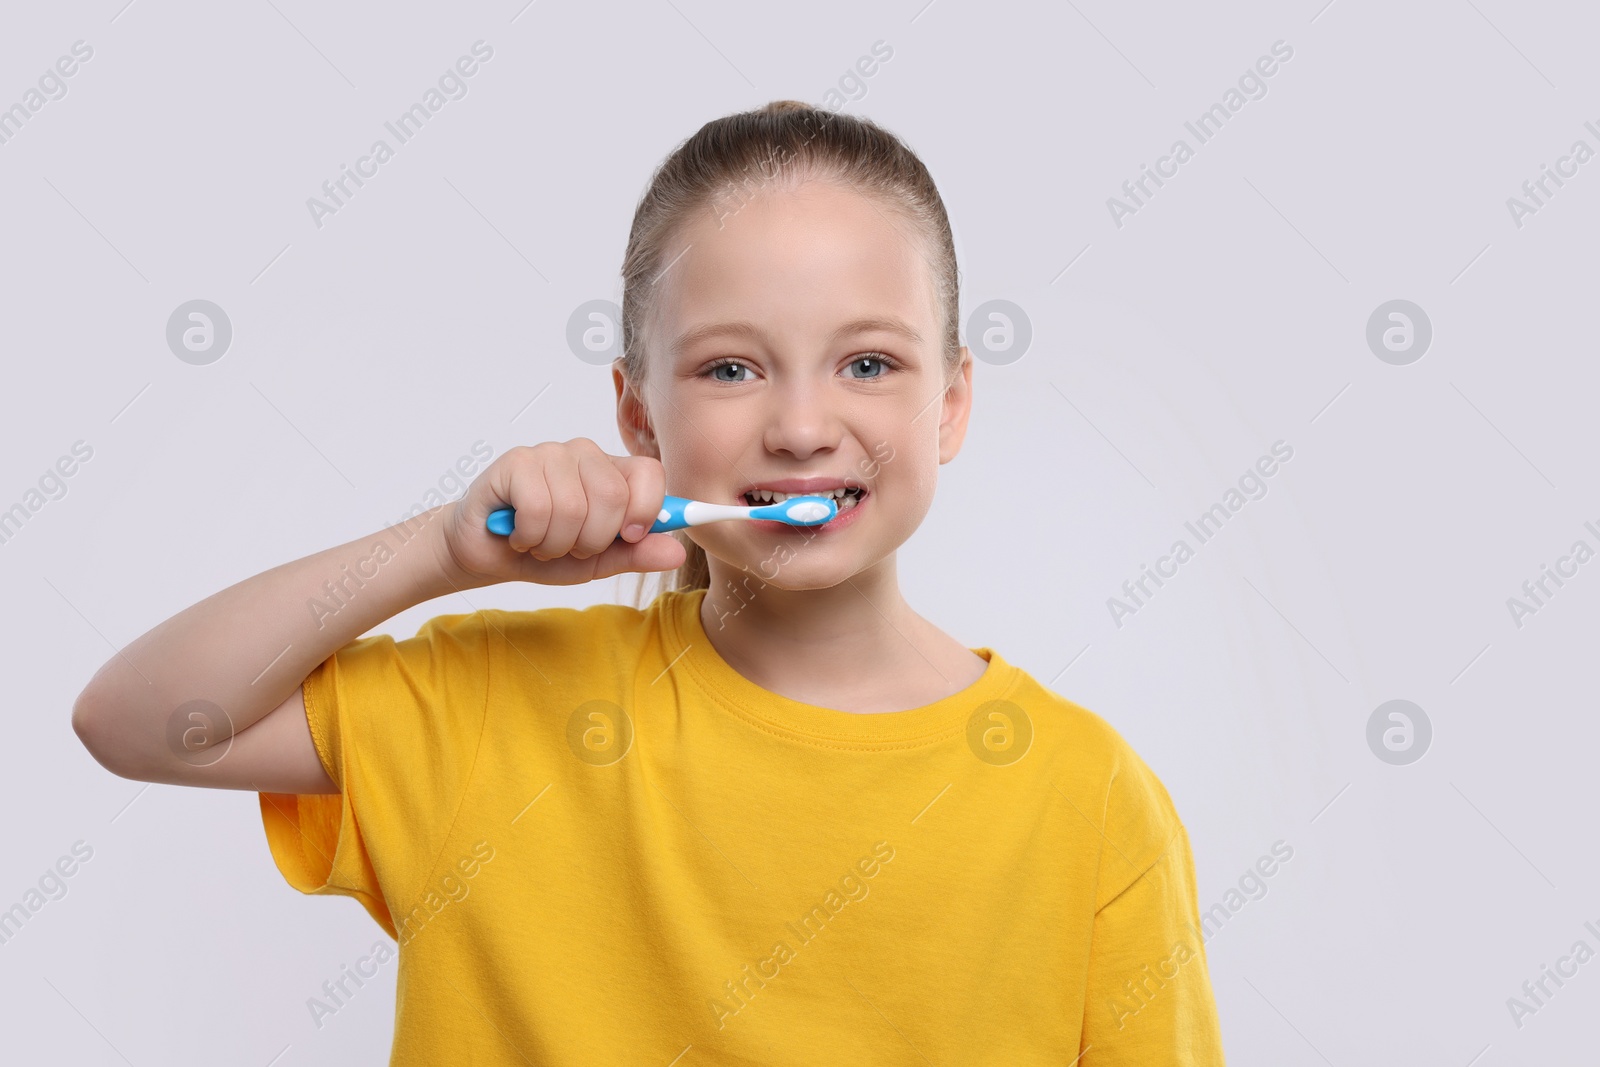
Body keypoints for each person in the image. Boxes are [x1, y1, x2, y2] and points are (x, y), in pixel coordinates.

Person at [72, 100, 1226, 1064]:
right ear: (637, 414)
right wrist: (440, 549)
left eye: (867, 362)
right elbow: (139, 720)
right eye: (731, 366)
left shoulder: (1088, 798)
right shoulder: (490, 707)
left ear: (952, 403)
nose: (802, 424)